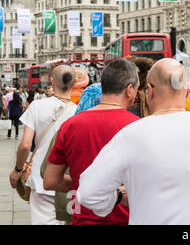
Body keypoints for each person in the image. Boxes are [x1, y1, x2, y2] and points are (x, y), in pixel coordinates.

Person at [76, 58, 190, 224]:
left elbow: (87, 193)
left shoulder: (132, 134)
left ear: (150, 90)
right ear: (187, 91)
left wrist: (117, 196)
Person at [43, 59, 141, 225]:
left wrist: (82, 185)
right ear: (129, 89)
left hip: (83, 219)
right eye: (137, 89)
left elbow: (50, 180)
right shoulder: (138, 126)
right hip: (125, 219)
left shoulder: (71, 125)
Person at [9, 65, 77, 225]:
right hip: (68, 180)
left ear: (52, 81)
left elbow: (25, 145)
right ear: (73, 83)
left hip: (41, 179)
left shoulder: (37, 106)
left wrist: (18, 169)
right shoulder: (79, 111)